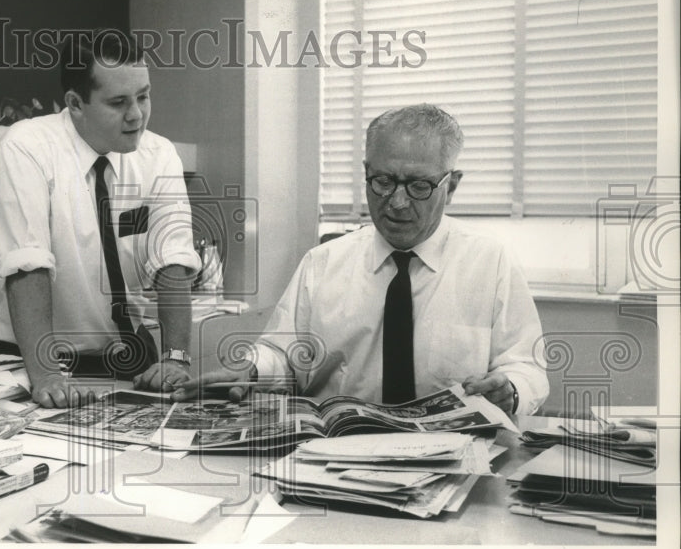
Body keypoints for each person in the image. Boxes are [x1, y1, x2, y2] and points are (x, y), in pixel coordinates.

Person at [175, 104, 549, 414]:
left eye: (419, 186)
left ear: (451, 187)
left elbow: (526, 366)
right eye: (383, 181)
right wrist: (253, 369)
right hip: (332, 455)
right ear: (366, 173)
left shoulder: (490, 262)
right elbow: (284, 357)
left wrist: (511, 389)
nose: (397, 202)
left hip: (455, 459)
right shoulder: (322, 263)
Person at [0, 31, 201, 408]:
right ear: (75, 103)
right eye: (118, 102)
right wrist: (46, 374)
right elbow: (26, 263)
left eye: (143, 96)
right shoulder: (25, 148)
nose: (136, 115)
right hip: (35, 367)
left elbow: (173, 258)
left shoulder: (159, 154)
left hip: (129, 365)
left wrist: (176, 358)